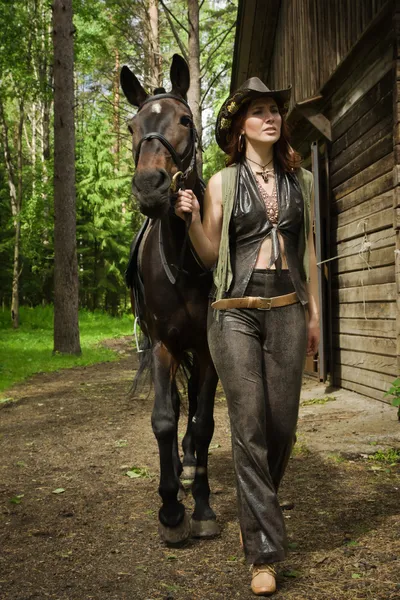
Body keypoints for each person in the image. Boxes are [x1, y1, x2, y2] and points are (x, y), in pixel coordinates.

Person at [175, 77, 320, 596]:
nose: (270, 117)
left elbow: (306, 252)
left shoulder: (299, 181)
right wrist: (192, 221)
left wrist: (314, 312)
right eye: (258, 112)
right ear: (240, 127)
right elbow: (212, 254)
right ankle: (263, 553)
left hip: (286, 307)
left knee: (281, 429)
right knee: (250, 424)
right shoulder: (221, 182)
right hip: (234, 310)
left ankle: (253, 513)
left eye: (273, 111)